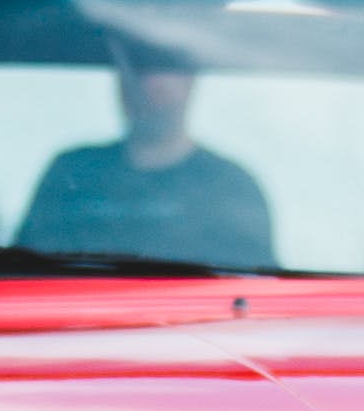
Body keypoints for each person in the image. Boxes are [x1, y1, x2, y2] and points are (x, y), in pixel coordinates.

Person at [17, 55, 274, 271]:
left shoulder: (232, 187)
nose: (149, 82)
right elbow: (17, 279)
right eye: (137, 66)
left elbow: (255, 297)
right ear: (120, 76)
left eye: (162, 65)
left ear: (190, 79)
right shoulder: (71, 173)